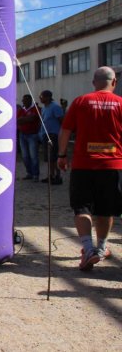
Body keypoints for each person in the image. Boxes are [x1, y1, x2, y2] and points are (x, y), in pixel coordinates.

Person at [57, 66, 122, 271]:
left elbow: (65, 130)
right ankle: (101, 248)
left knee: (82, 207)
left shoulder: (81, 102)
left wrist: (61, 155)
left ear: (94, 82)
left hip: (83, 165)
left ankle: (87, 248)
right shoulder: (120, 103)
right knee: (106, 209)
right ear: (114, 82)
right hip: (112, 165)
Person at [38, 90, 64, 184]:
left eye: (42, 97)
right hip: (45, 134)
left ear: (48, 97)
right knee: (49, 157)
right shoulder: (44, 108)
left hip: (54, 134)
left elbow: (61, 120)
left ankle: (58, 176)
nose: (40, 98)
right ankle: (51, 175)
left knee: (54, 156)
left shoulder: (55, 107)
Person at [17, 94, 41, 181]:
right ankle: (29, 173)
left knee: (33, 156)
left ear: (30, 100)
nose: (23, 102)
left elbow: (33, 118)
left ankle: (35, 174)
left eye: (25, 100)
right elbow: (17, 120)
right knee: (25, 156)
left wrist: (23, 119)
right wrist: (26, 119)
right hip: (22, 135)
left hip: (32, 135)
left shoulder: (35, 109)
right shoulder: (21, 110)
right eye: (23, 100)